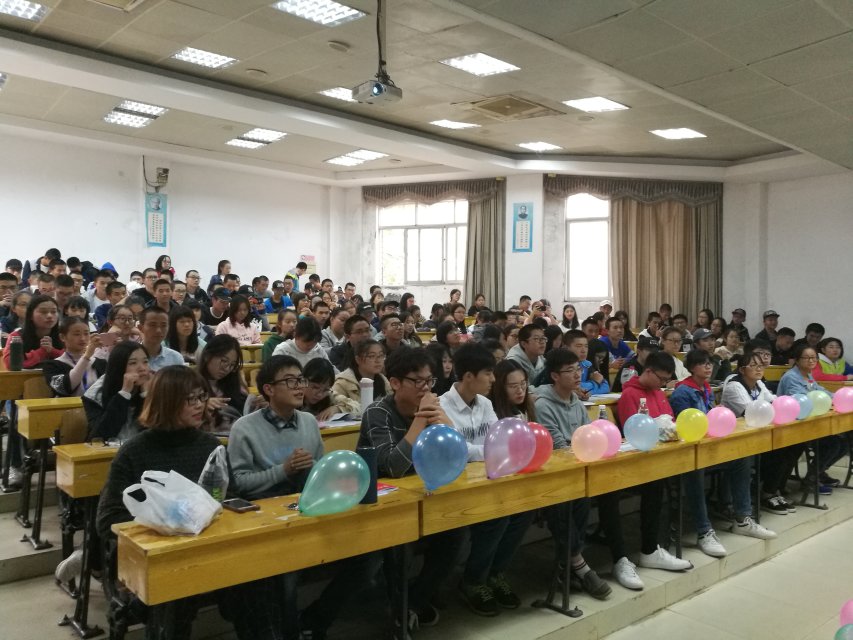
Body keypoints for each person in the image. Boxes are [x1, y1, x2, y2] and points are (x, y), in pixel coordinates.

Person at [97, 366, 284, 640]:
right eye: (190, 399)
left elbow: (227, 497)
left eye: (202, 397)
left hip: (209, 547)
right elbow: (107, 519)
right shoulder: (134, 451)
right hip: (160, 555)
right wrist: (168, 520)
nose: (200, 405)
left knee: (260, 574)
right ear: (167, 401)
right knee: (175, 590)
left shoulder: (209, 445)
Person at [358, 347, 463, 628]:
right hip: (381, 505)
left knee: (457, 531)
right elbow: (393, 467)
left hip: (424, 497)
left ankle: (414, 600)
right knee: (399, 544)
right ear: (395, 382)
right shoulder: (377, 412)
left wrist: (447, 424)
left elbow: (456, 457)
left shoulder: (432, 409)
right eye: (418, 381)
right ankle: (398, 609)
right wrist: (420, 420)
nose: (425, 388)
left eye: (429, 381)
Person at [441, 344, 531, 616]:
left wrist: (488, 451)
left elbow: (499, 442)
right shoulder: (442, 406)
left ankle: (495, 573)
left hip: (489, 481)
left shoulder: (486, 403)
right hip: (457, 486)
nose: (494, 379)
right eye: (488, 373)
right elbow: (459, 451)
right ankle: (473, 580)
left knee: (524, 510)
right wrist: (489, 451)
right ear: (469, 376)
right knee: (498, 517)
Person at [671, 350, 775, 559]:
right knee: (694, 471)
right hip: (688, 452)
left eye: (710, 363)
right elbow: (685, 426)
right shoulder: (682, 392)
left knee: (742, 459)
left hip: (709, 447)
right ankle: (704, 531)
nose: (708, 367)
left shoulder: (706, 387)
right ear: (691, 368)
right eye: (703, 363)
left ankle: (742, 519)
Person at [603, 352, 692, 590]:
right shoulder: (630, 394)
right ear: (648, 371)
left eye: (666, 380)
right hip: (633, 461)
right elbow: (633, 431)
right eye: (660, 378)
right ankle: (622, 558)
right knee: (611, 494)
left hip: (656, 459)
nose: (663, 384)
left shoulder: (658, 392)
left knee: (658, 484)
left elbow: (669, 421)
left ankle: (650, 550)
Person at [534, 349, 611, 599]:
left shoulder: (576, 402)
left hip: (576, 471)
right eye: (570, 370)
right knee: (563, 506)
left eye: (578, 369)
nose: (578, 375)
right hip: (553, 476)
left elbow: (589, 435)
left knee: (584, 499)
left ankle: (567, 567)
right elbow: (557, 446)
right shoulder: (543, 404)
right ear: (555, 376)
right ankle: (580, 565)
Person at [778, 343, 844, 490]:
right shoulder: (791, 377)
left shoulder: (808, 375)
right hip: (793, 426)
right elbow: (803, 400)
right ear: (797, 360)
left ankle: (818, 473)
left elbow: (821, 391)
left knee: (843, 442)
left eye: (814, 358)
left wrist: (837, 398)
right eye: (807, 358)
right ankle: (812, 479)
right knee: (833, 444)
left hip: (811, 423)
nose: (811, 361)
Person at [83, 341, 149, 441]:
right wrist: (124, 393)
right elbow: (101, 435)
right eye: (133, 363)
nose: (142, 368)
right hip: (109, 449)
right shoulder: (96, 394)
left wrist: (146, 396)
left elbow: (158, 433)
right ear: (119, 367)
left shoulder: (153, 388)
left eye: (145, 362)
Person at [197, 335, 255, 434]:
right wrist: (202, 406)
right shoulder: (192, 385)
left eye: (232, 365)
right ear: (207, 356)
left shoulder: (237, 386)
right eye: (224, 361)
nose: (227, 369)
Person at [41, 316, 102, 397]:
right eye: (76, 334)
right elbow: (65, 388)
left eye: (86, 333)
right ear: (62, 337)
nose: (83, 338)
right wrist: (86, 357)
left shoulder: (100, 363)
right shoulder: (52, 365)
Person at [2, 294, 62, 369]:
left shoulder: (64, 335)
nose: (49, 315)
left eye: (53, 311)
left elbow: (73, 360)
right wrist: (42, 351)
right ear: (30, 315)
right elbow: (11, 364)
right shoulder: (16, 336)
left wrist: (52, 351)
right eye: (43, 312)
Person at [332, 339, 389, 411]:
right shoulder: (342, 382)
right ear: (358, 359)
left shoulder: (383, 380)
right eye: (371, 356)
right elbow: (336, 404)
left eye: (381, 356)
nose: (378, 360)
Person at [560, 329, 608, 397]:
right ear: (566, 348)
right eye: (579, 346)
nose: (584, 350)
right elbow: (570, 387)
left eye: (586, 346)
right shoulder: (560, 365)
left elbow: (606, 386)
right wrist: (595, 383)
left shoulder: (587, 364)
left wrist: (585, 392)